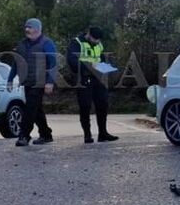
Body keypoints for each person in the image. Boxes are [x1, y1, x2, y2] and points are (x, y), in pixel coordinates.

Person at [7, 18, 58, 146]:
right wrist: (10, 79)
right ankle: (46, 134)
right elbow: (16, 63)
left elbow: (53, 63)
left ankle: (24, 135)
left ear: (37, 29)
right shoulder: (22, 44)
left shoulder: (47, 43)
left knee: (29, 108)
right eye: (26, 27)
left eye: (29, 27)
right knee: (36, 109)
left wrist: (50, 82)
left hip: (40, 82)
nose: (27, 30)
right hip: (27, 81)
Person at [67, 26, 117, 144]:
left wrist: (107, 66)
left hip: (98, 78)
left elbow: (102, 58)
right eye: (94, 39)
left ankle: (103, 133)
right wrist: (90, 65)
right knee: (85, 107)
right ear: (88, 34)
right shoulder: (76, 43)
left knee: (103, 105)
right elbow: (72, 61)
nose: (96, 41)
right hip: (83, 79)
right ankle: (87, 135)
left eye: (98, 40)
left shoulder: (99, 44)